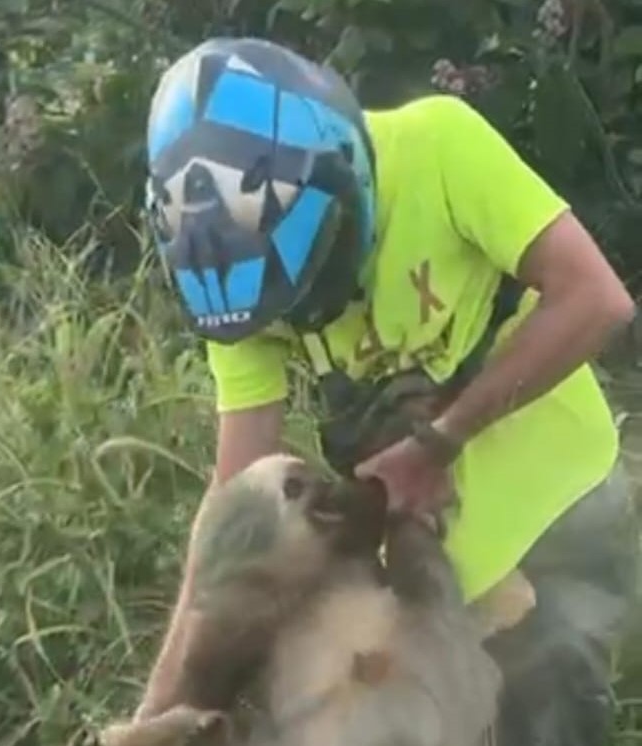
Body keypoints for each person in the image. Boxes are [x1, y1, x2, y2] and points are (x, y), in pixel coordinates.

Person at [134, 36, 641, 746]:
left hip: (553, 513)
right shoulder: (239, 273)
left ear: (342, 186)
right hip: (432, 557)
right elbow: (234, 500)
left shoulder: (440, 146)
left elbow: (596, 300)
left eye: (310, 283)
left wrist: (440, 441)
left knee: (549, 723)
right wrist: (157, 712)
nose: (301, 315)